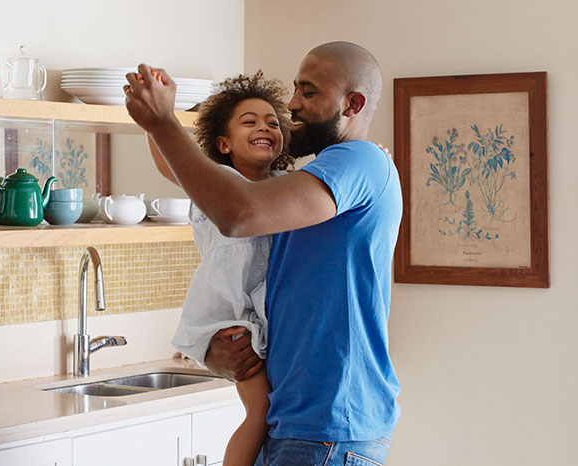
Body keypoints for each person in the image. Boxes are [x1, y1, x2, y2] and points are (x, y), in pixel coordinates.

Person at [124, 41, 401, 466]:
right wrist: (220, 354)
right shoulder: (305, 180)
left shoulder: (358, 160)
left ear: (353, 104)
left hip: (327, 427)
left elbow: (239, 213)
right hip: (303, 423)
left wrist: (162, 123)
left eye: (308, 92)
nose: (292, 104)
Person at [147, 72, 293, 466]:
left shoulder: (284, 187)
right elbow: (169, 165)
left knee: (269, 414)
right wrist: (156, 119)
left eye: (272, 122)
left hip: (259, 315)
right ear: (223, 143)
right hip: (228, 317)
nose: (264, 126)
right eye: (250, 121)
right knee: (259, 414)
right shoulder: (217, 184)